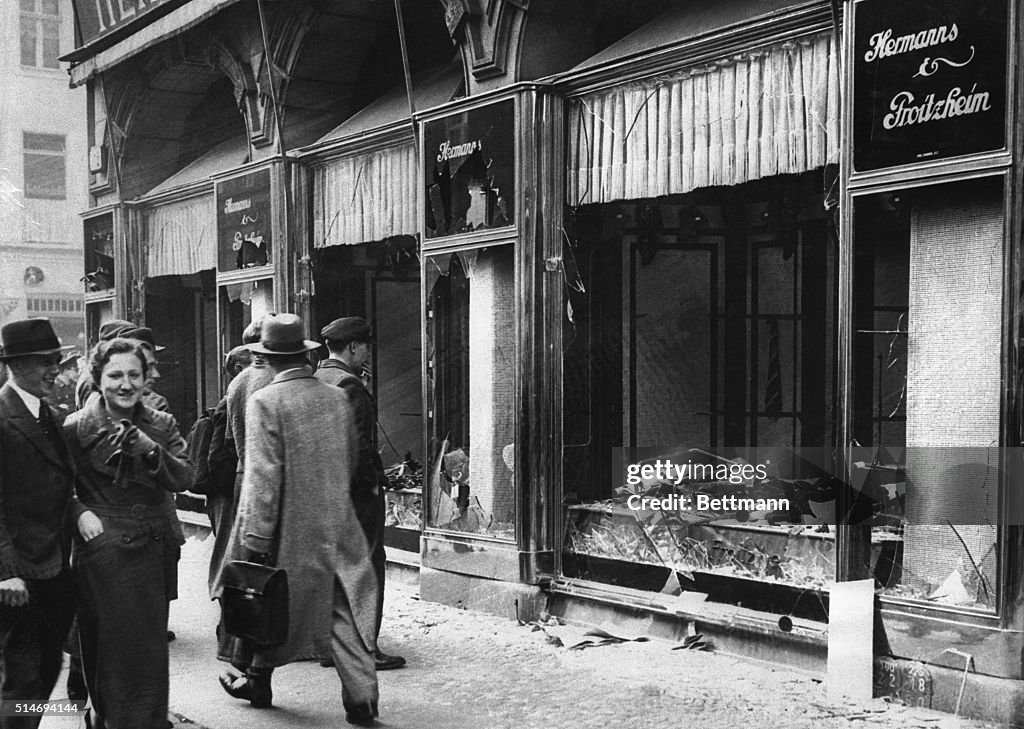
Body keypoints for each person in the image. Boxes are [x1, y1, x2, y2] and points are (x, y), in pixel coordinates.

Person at [217, 313, 380, 726]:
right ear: (303, 355)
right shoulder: (337, 396)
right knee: (344, 611)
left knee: (267, 605)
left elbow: (263, 478)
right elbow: (349, 460)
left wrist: (255, 537)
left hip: (287, 530)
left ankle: (258, 680)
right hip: (338, 523)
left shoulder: (265, 401)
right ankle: (361, 699)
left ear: (267, 359)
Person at [63, 338, 194, 729]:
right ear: (97, 378)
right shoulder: (74, 429)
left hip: (149, 552)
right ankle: (107, 718)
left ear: (145, 378)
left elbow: (186, 477)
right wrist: (79, 511)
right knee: (108, 651)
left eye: (134, 374)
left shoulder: (162, 424)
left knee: (149, 653)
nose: (125, 384)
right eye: (115, 375)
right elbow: (54, 489)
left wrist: (151, 449)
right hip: (100, 554)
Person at [0, 319, 77, 729]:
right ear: (16, 364)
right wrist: (6, 572)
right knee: (23, 680)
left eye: (57, 360)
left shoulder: (49, 414)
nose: (56, 369)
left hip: (54, 570)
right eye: (45, 361)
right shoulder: (3, 415)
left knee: (47, 673)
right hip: (19, 581)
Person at [317, 316, 405, 671]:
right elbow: (357, 448)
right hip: (355, 495)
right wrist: (374, 484)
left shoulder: (318, 378)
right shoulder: (350, 386)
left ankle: (330, 645)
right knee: (367, 566)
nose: (368, 353)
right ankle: (365, 646)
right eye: (366, 346)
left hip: (324, 492)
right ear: (353, 346)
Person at [213, 317, 276, 687]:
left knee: (242, 566)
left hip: (243, 477)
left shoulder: (238, 382)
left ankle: (234, 643)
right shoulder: (271, 382)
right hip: (262, 482)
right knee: (264, 572)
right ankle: (255, 658)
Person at [50, 351, 81, 418]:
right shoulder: (53, 387)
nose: (79, 374)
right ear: (66, 371)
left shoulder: (73, 385)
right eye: (76, 370)